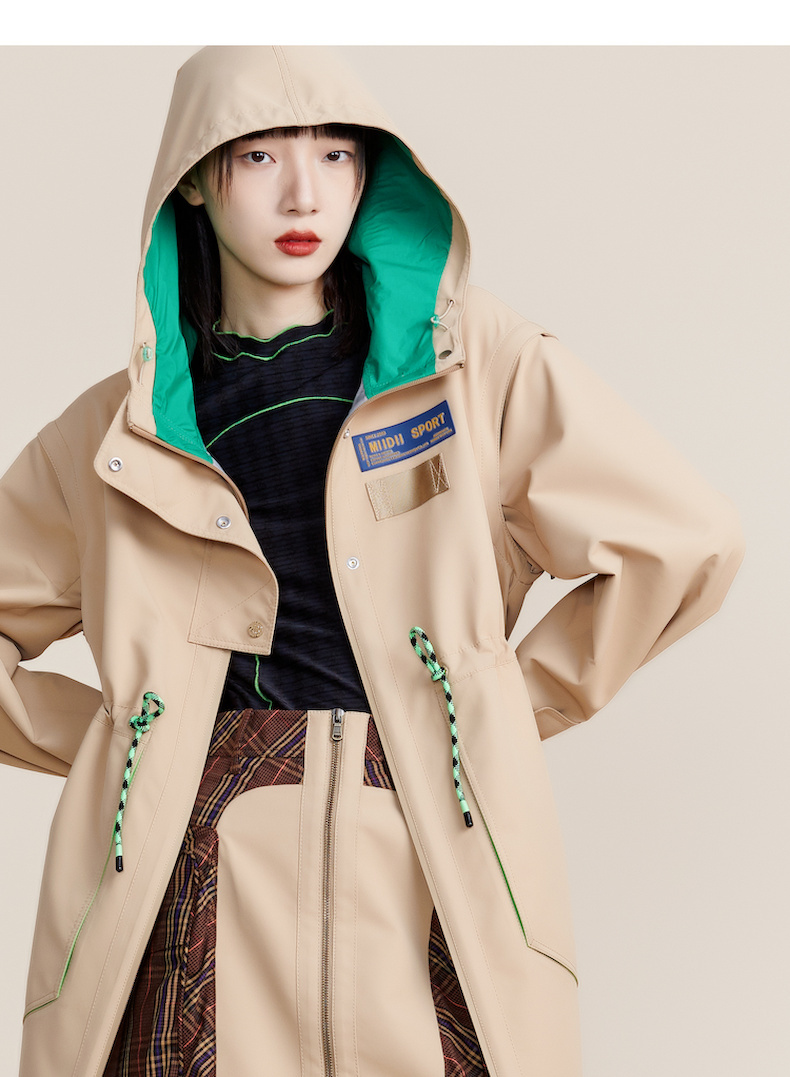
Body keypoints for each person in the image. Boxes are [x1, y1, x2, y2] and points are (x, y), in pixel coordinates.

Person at [0, 45, 744, 1077]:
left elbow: (685, 541)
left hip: (431, 858)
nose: (304, 193)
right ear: (193, 183)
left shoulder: (470, 369)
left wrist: (488, 703)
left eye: (337, 155)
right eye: (259, 156)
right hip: (197, 881)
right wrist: (128, 746)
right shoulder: (112, 435)